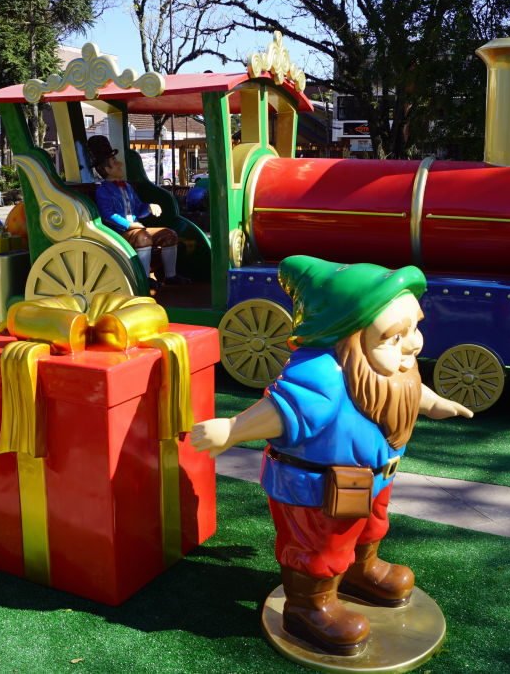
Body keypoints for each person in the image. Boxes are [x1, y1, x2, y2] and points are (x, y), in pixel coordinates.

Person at [192, 256, 473, 656]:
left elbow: (407, 394)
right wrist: (234, 429)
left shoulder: (391, 368)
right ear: (348, 333)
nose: (413, 343)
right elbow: (283, 410)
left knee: (371, 526)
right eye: (396, 336)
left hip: (373, 479)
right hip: (319, 488)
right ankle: (309, 606)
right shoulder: (322, 374)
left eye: (415, 329)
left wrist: (434, 402)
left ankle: (361, 570)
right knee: (319, 545)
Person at [87, 135, 188, 286]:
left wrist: (148, 207)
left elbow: (138, 208)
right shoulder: (103, 191)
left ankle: (170, 276)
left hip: (136, 229)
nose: (120, 164)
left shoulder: (127, 187)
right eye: (114, 162)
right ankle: (143, 279)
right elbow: (108, 215)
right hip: (117, 233)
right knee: (143, 237)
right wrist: (130, 225)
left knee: (169, 235)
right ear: (106, 169)